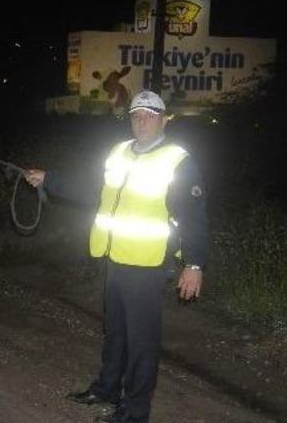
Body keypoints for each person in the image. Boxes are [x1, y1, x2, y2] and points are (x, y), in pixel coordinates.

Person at [24, 90, 208, 423]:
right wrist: (49, 179)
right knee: (116, 332)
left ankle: (135, 413)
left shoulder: (177, 160)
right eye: (137, 115)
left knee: (141, 343)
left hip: (148, 264)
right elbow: (93, 188)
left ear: (164, 120)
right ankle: (107, 389)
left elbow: (193, 216)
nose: (142, 121)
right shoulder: (119, 153)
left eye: (150, 116)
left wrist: (193, 264)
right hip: (115, 257)